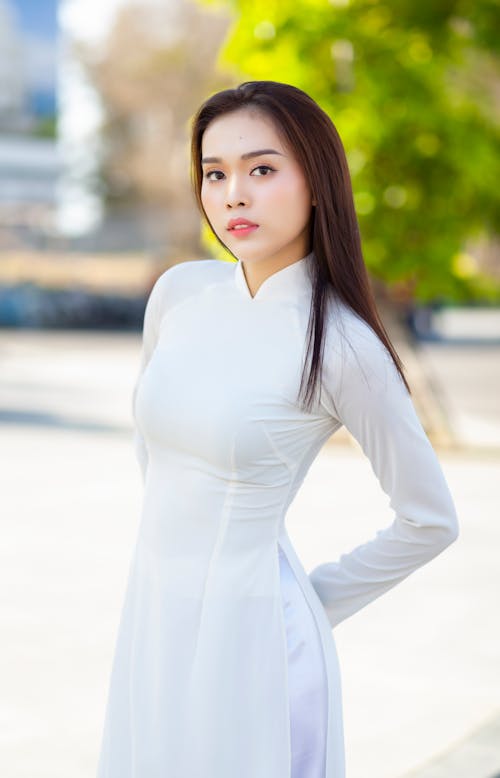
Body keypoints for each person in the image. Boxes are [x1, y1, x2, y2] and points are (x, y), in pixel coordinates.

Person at [96, 81, 459, 778]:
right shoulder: (180, 294)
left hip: (252, 645)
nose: (234, 193)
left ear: (317, 181)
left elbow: (429, 520)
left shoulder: (343, 344)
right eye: (215, 172)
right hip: (152, 620)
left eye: (262, 169)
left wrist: (305, 606)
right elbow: (159, 453)